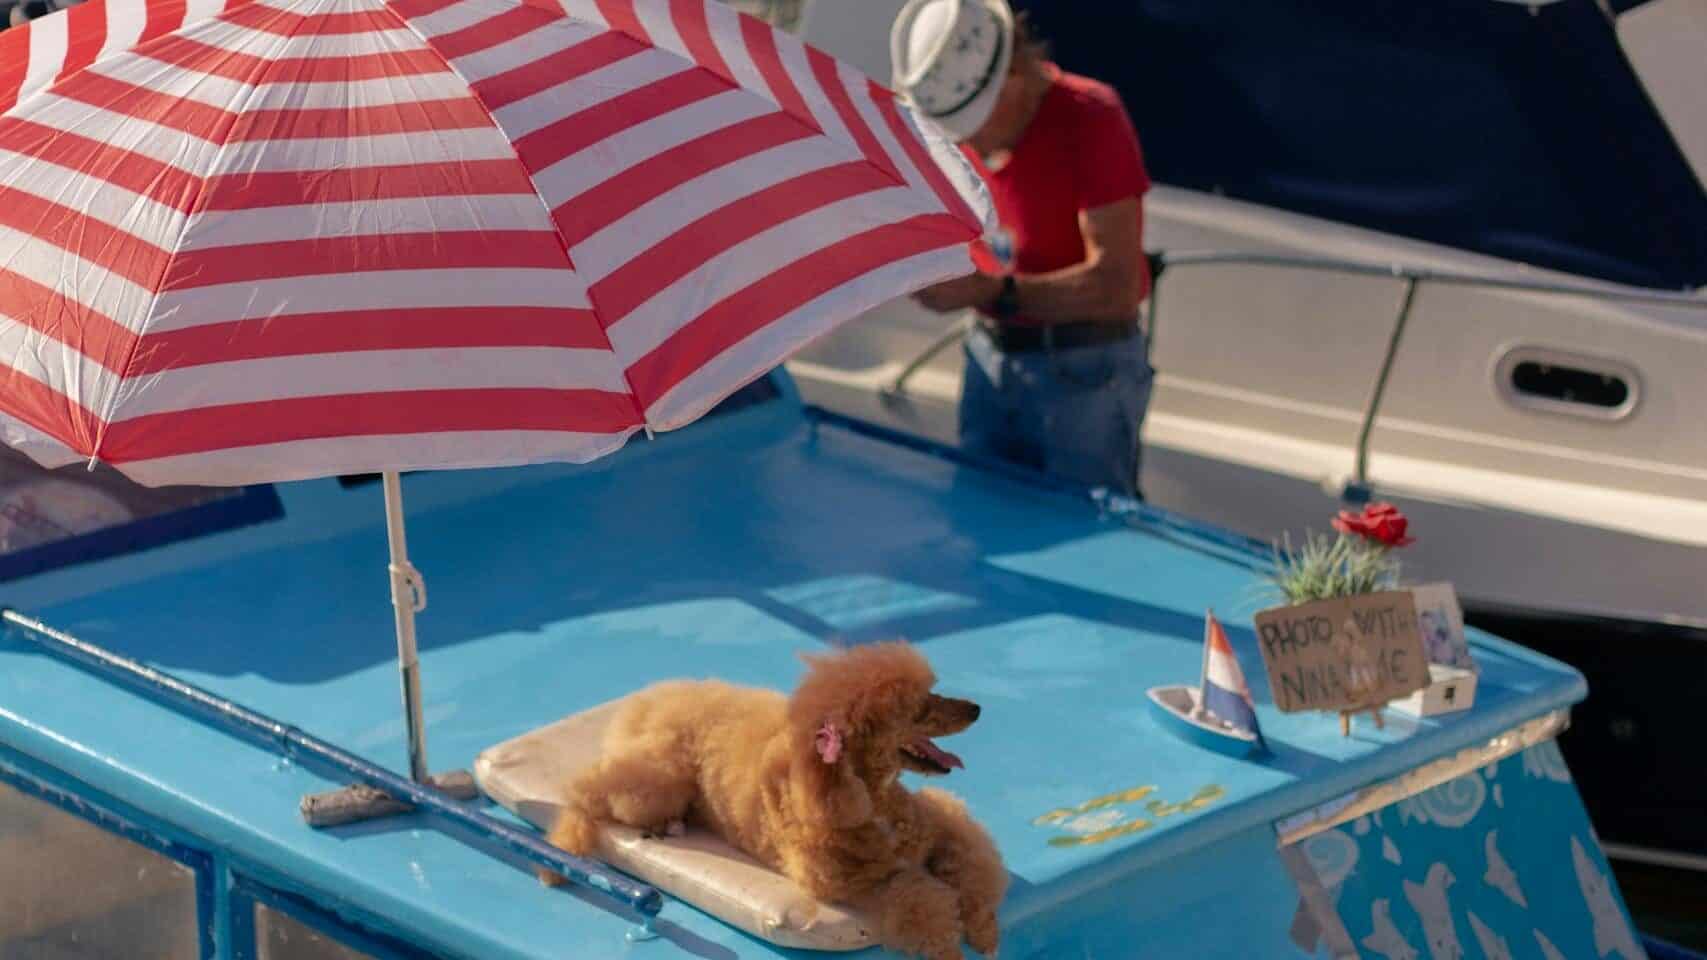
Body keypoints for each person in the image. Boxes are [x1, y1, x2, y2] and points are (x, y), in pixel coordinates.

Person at [891, 0, 1155, 498]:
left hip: (1083, 374)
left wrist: (990, 291)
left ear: (1014, 77)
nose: (967, 140)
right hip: (991, 357)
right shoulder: (975, 134)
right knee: (979, 521)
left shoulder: (1091, 117)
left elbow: (1115, 288)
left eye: (971, 121)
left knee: (1082, 537)